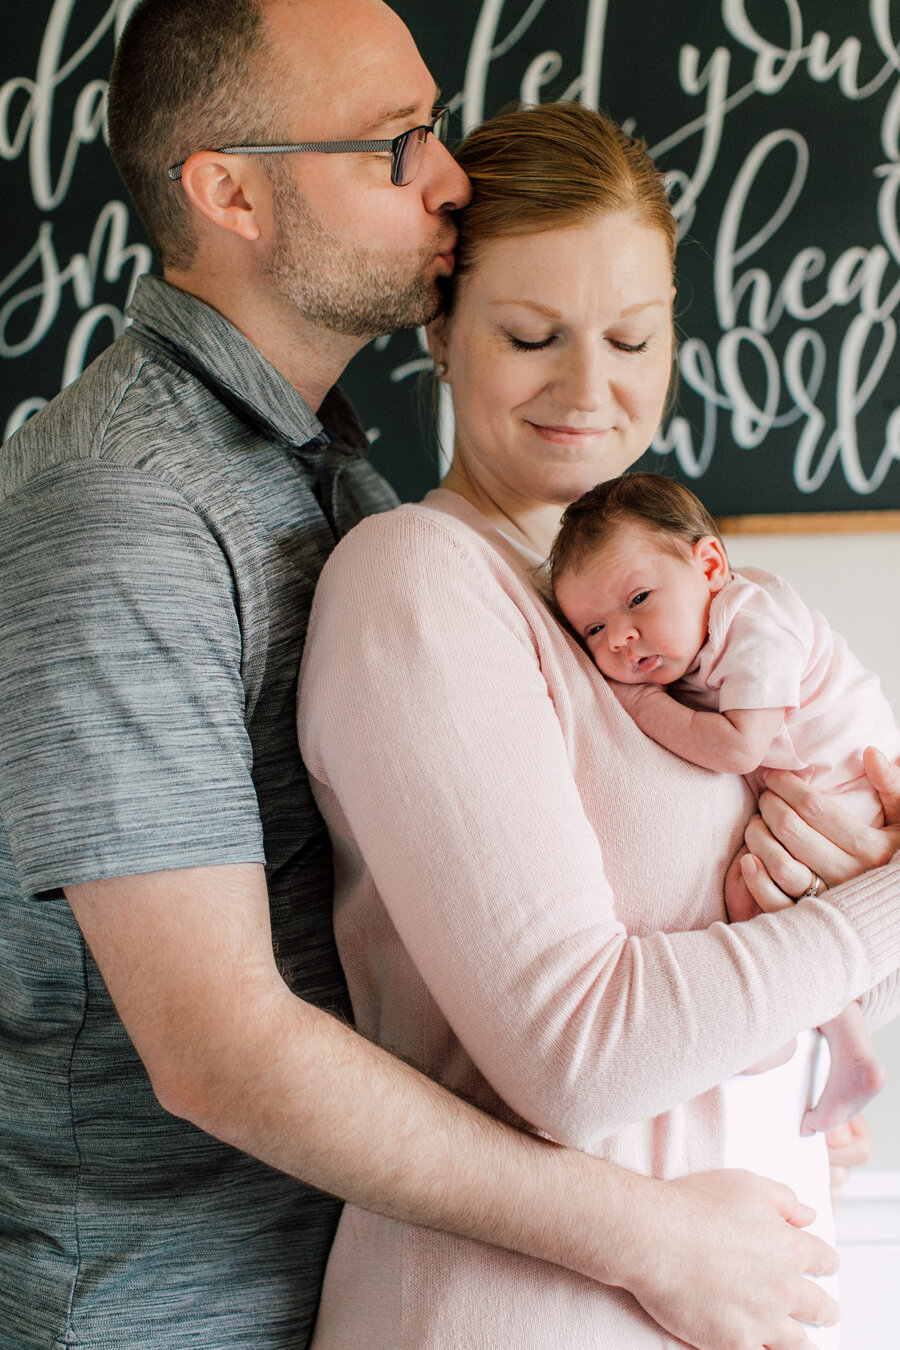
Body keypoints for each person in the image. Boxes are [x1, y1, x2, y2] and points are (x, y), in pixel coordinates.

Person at [0, 3, 866, 1348]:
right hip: (167, 1306)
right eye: (397, 142)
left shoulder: (323, 482)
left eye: (635, 335)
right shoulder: (133, 503)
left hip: (354, 1265)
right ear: (229, 189)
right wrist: (657, 1232)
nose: (446, 175)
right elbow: (219, 1043)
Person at [297, 100, 900, 1349]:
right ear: (442, 332)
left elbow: (846, 1007)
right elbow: (583, 1058)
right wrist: (874, 913)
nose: (591, 389)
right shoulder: (419, 579)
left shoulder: (684, 602)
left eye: (633, 335)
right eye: (531, 336)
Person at [549, 470, 900, 1137]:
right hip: (820, 799)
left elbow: (740, 746)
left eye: (640, 599)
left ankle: (829, 1044)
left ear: (709, 564)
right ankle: (837, 1045)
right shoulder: (701, 638)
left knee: (755, 898)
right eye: (593, 628)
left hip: (850, 795)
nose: (620, 638)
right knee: (753, 893)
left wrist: (644, 704)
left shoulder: (756, 620)